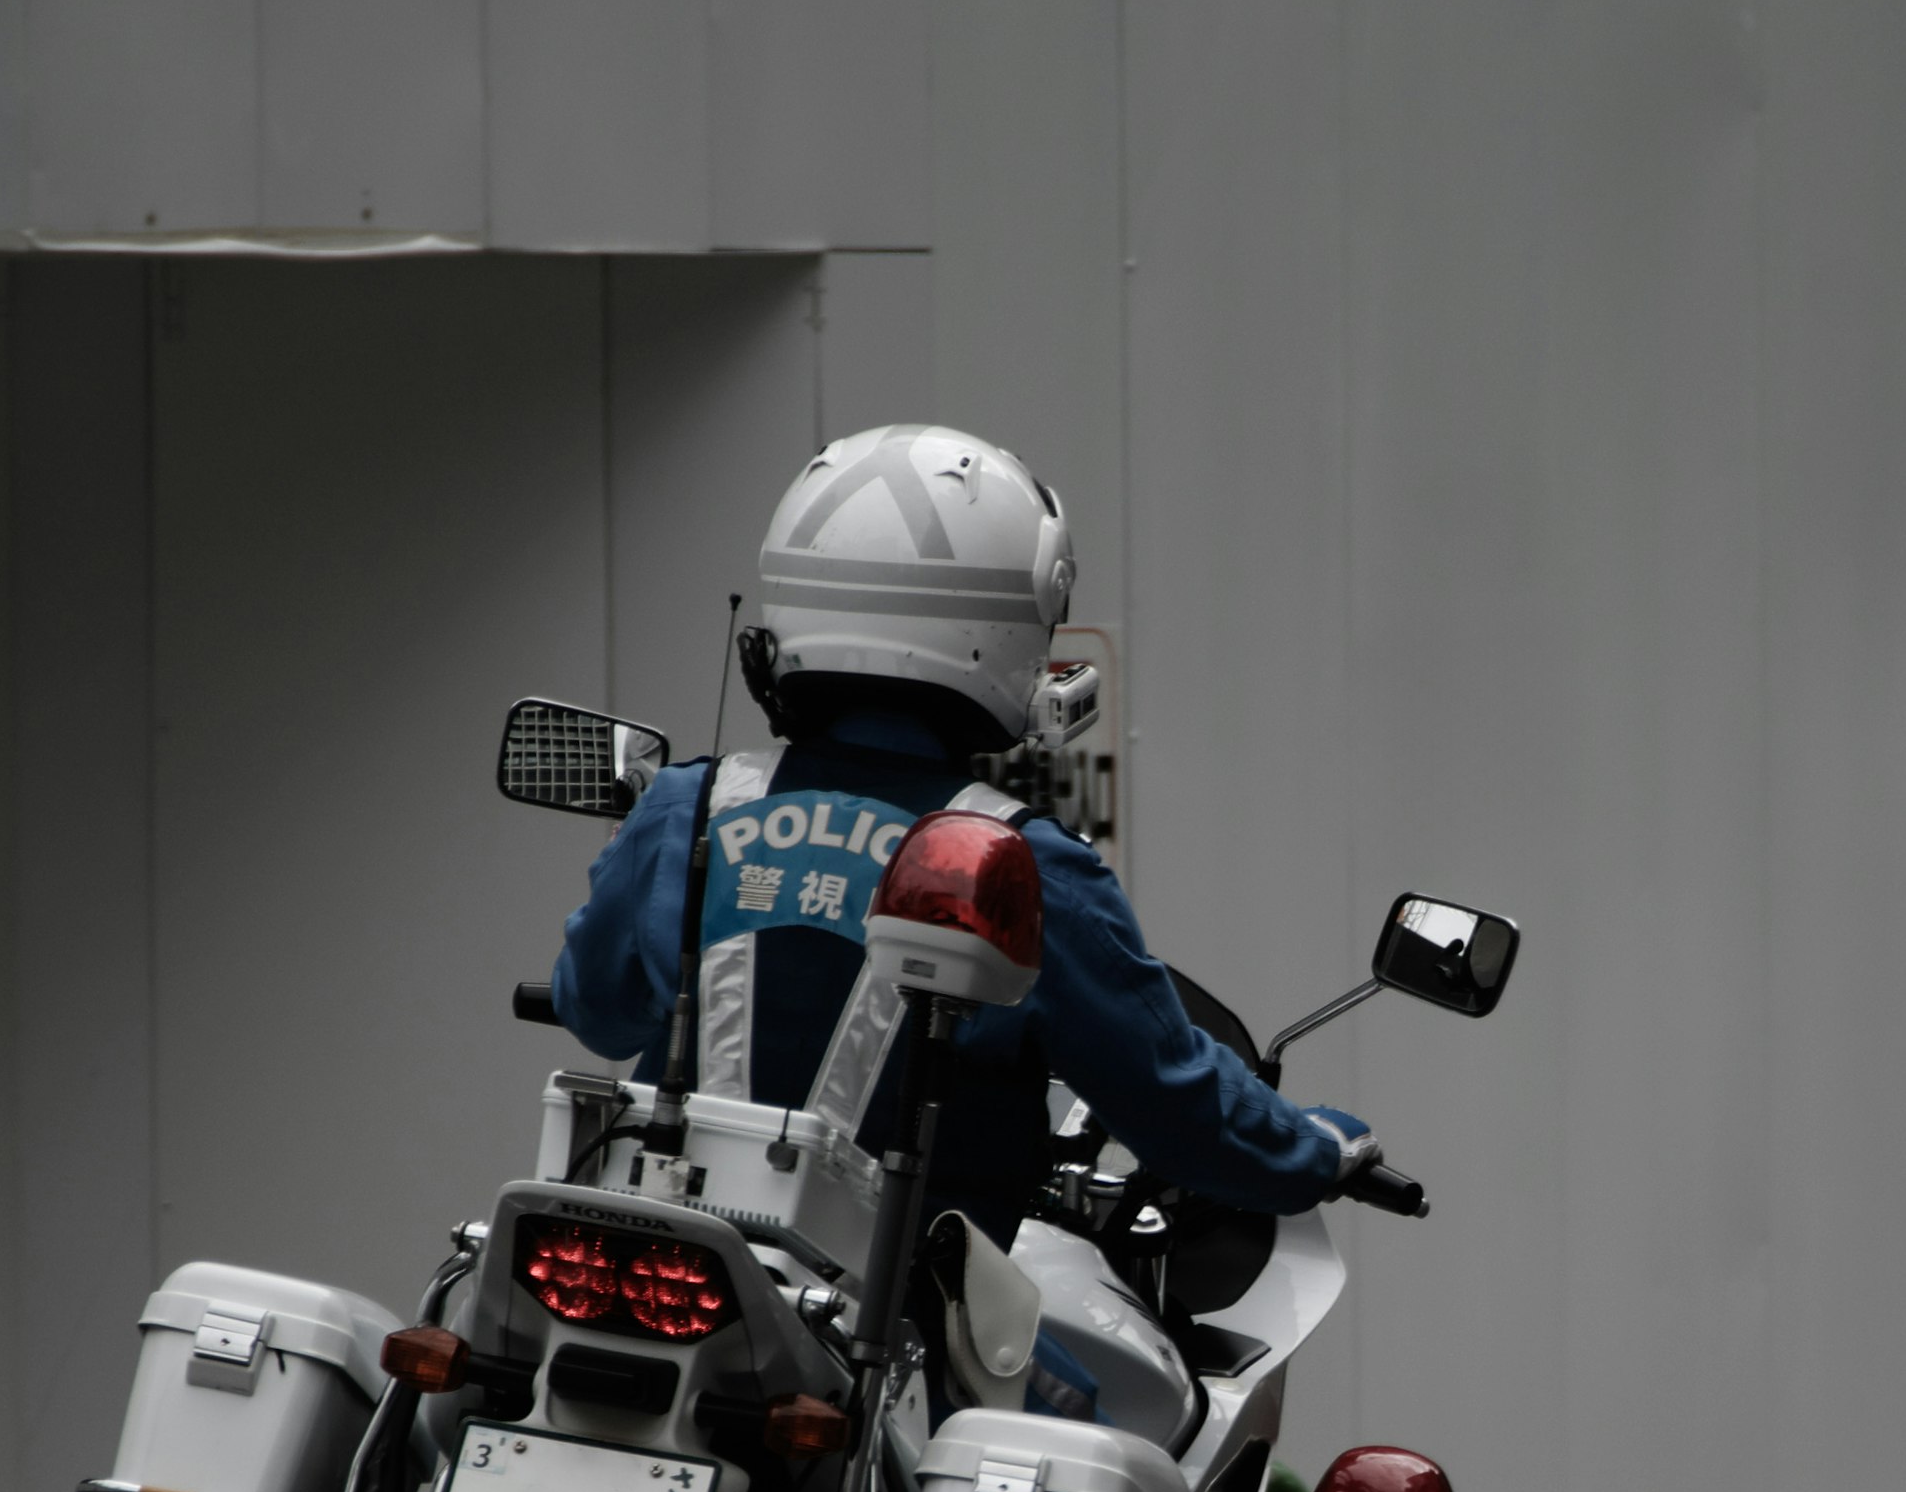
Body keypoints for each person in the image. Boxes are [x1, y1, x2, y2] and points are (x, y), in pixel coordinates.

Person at [551, 424, 1379, 1240]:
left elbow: (599, 1012)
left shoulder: (687, 806)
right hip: (901, 1325)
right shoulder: (1021, 862)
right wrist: (1315, 1150)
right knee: (1091, 1381)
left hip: (653, 1251)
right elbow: (1175, 1103)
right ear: (1011, 630)